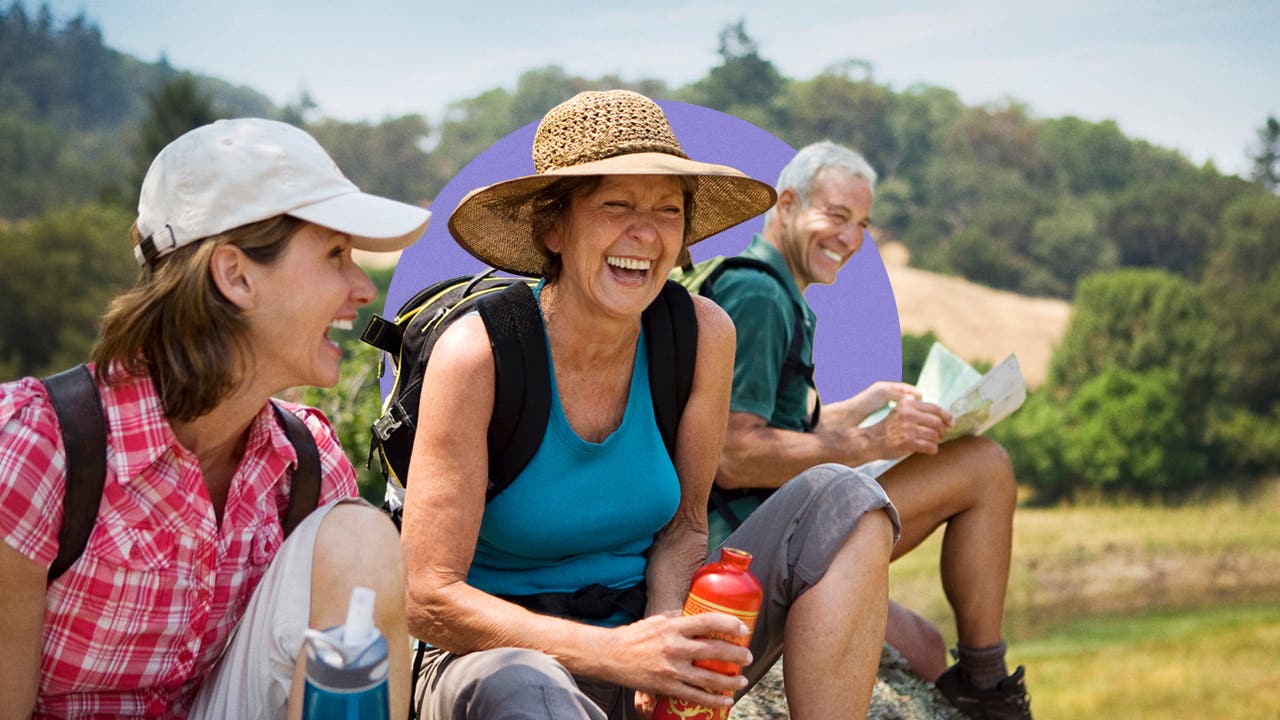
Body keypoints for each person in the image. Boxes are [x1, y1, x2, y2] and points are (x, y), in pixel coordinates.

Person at [400, 90, 901, 720]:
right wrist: (615, 653)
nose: (644, 233)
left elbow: (686, 526)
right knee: (527, 685)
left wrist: (668, 635)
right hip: (498, 662)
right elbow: (427, 597)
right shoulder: (479, 354)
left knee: (848, 501)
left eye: (668, 211)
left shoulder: (700, 336)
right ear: (555, 226)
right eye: (616, 205)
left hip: (639, 649)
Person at [0, 118, 429, 718]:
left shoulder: (306, 464)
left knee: (360, 540)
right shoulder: (38, 447)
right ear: (235, 275)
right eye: (335, 254)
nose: (362, 287)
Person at [705, 140, 1033, 720]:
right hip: (741, 540)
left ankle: (974, 688)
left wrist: (861, 409)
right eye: (836, 216)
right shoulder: (756, 293)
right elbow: (733, 453)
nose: (851, 238)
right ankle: (988, 686)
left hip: (763, 515)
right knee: (984, 465)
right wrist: (876, 443)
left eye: (862, 223)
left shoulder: (774, 291)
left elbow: (770, 427)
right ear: (785, 204)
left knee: (925, 646)